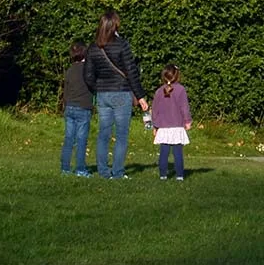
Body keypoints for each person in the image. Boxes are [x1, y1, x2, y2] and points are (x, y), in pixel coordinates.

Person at [83, 10, 148, 180]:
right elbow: (131, 71)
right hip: (121, 93)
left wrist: (97, 88)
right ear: (115, 26)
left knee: (103, 134)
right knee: (121, 135)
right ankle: (118, 172)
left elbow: (88, 75)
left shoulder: (92, 47)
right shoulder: (122, 45)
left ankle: (103, 172)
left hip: (103, 95)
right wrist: (140, 96)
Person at [152, 64, 192, 181]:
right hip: (177, 126)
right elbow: (184, 107)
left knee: (163, 152)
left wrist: (155, 125)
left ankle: (163, 175)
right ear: (177, 76)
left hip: (163, 127)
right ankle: (179, 176)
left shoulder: (159, 91)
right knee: (177, 152)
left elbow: (155, 109)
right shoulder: (181, 90)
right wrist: (187, 121)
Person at [59, 42, 94, 177]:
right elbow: (93, 85)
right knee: (81, 140)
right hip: (83, 107)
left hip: (69, 107)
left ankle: (65, 168)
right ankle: (80, 169)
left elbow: (66, 91)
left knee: (69, 139)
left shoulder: (69, 70)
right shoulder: (88, 70)